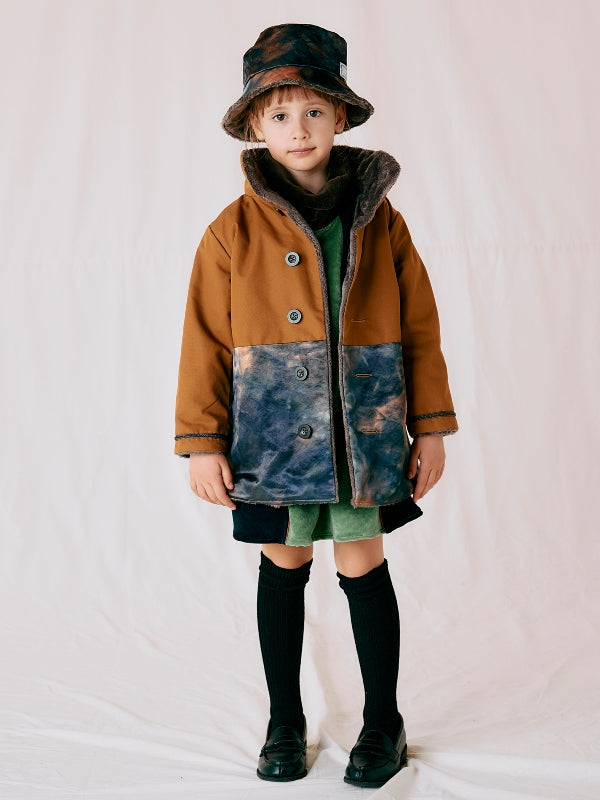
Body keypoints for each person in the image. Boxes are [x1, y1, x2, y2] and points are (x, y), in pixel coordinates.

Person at [174, 23, 458, 788]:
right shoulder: (230, 233)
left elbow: (421, 326)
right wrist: (203, 441)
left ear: (339, 117)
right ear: (255, 126)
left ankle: (383, 722)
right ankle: (283, 721)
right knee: (283, 563)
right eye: (279, 114)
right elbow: (204, 340)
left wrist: (429, 428)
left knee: (365, 564)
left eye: (313, 111)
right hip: (274, 442)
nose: (297, 129)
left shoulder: (380, 219)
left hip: (363, 438)